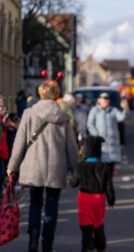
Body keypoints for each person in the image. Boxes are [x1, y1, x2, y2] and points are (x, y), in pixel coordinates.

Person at [7, 80, 79, 252]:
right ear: (56, 94)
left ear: (41, 93)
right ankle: (47, 245)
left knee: (34, 204)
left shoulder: (29, 113)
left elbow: (19, 144)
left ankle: (32, 242)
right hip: (56, 167)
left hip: (34, 167)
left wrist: (12, 166)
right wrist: (76, 169)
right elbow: (71, 146)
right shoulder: (63, 117)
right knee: (51, 209)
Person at [70, 136, 115, 252]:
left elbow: (73, 183)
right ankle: (101, 245)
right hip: (99, 197)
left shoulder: (80, 166)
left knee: (85, 223)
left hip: (84, 197)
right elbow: (109, 186)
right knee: (98, 223)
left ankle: (87, 246)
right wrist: (111, 200)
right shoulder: (105, 167)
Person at [87, 92, 129, 166]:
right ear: (99, 100)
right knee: (101, 163)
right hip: (100, 141)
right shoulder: (94, 110)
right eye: (103, 99)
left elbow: (121, 118)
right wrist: (96, 135)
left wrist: (125, 109)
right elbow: (90, 124)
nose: (105, 101)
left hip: (112, 141)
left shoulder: (114, 110)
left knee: (111, 163)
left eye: (107, 99)